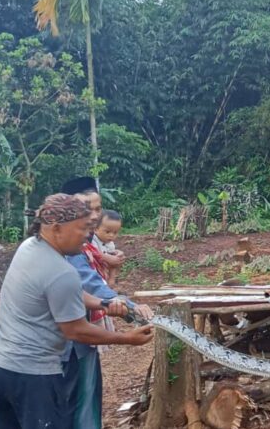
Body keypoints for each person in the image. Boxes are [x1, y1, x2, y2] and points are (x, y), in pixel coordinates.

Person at [0, 194, 154, 429]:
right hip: (32, 375)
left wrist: (102, 304)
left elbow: (66, 294)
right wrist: (126, 338)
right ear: (57, 228)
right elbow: (76, 331)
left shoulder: (29, 248)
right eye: (82, 228)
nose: (87, 235)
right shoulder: (62, 272)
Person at [60, 177, 154, 429]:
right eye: (86, 208)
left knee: (84, 399)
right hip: (67, 342)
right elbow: (89, 284)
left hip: (81, 337)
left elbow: (91, 290)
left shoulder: (87, 244)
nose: (93, 215)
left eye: (97, 208)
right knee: (74, 405)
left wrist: (117, 302)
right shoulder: (69, 247)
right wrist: (129, 308)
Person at [93, 210, 125, 286]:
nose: (111, 235)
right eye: (107, 232)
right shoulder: (92, 240)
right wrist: (107, 258)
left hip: (103, 274)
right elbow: (93, 253)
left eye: (115, 232)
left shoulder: (110, 244)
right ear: (95, 229)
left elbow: (113, 263)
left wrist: (112, 278)